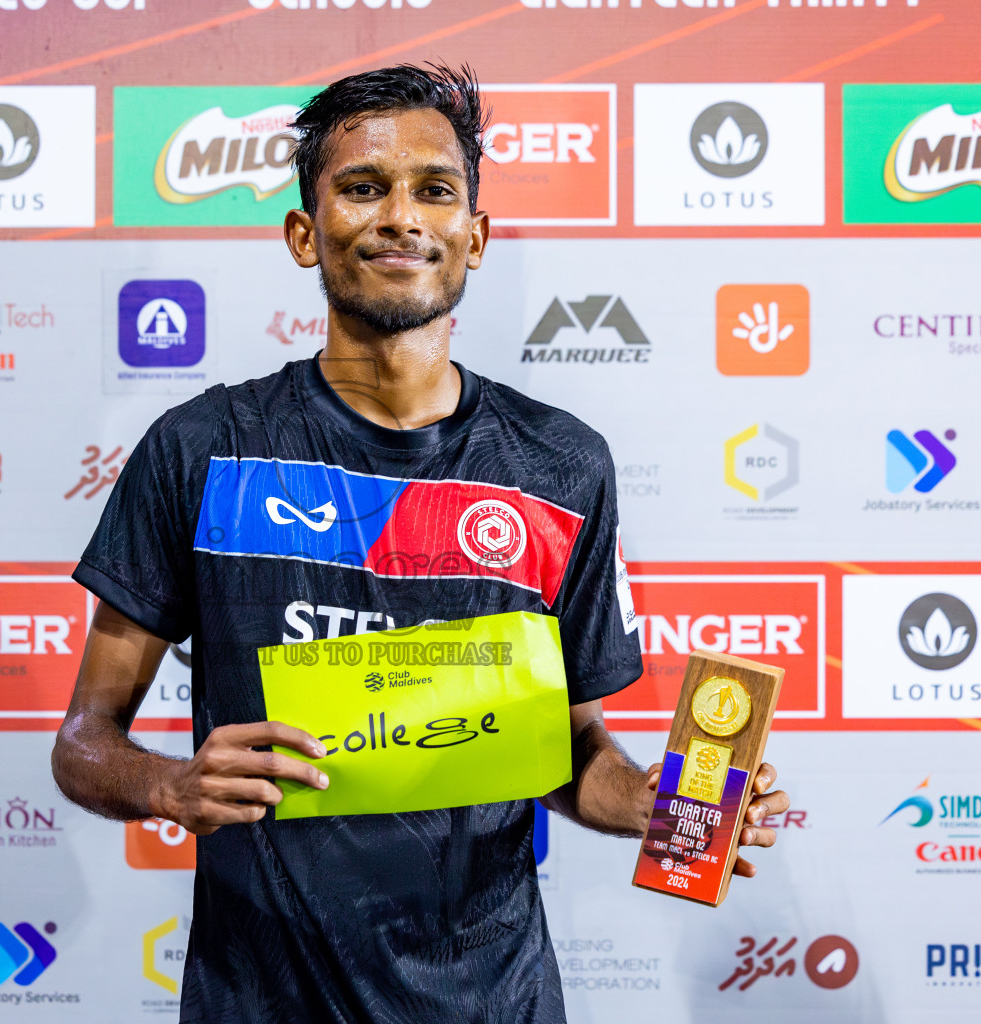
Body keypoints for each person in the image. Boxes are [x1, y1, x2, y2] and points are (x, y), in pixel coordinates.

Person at [53, 63, 789, 1023]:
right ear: (304, 234)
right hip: (262, 999)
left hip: (496, 1000)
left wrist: (655, 806)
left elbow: (565, 752)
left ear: (473, 237)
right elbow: (82, 744)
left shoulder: (561, 466)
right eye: (363, 188)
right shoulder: (202, 450)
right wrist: (170, 781)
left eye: (434, 189)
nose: (401, 215)